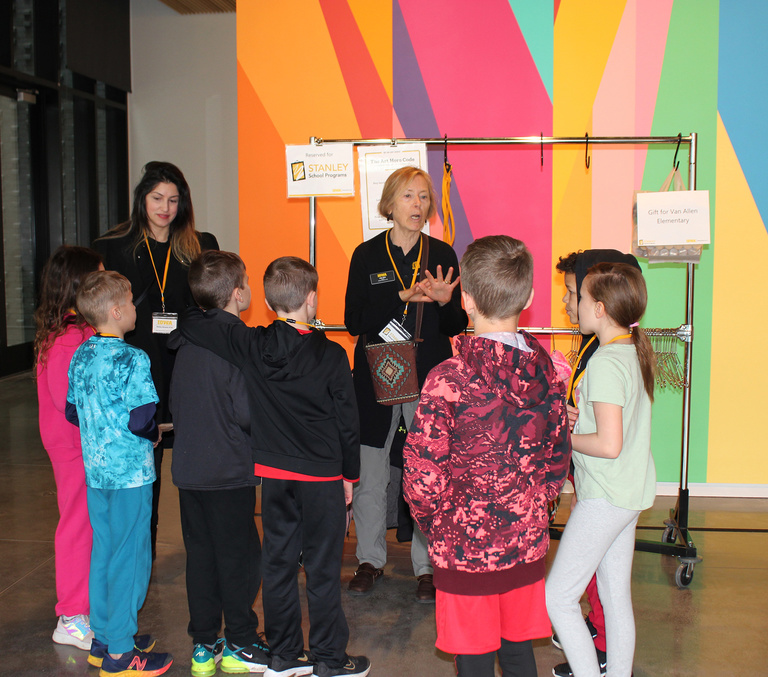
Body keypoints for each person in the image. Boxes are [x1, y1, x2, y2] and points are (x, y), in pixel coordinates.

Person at [178, 256, 370, 677]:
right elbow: (347, 424)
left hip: (277, 480)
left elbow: (201, 324)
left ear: (266, 301)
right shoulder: (333, 355)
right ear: (312, 299)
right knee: (321, 571)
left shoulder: (254, 345)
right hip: (322, 478)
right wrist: (350, 476)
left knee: (278, 566)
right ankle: (329, 659)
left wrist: (187, 312)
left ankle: (284, 656)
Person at [402, 235, 571, 677]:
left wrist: (438, 525)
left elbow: (421, 477)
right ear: (530, 297)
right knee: (519, 655)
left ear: (467, 299)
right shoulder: (548, 371)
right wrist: (536, 506)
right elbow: (558, 452)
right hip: (525, 546)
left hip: (464, 550)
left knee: (473, 659)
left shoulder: (447, 378)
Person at [344, 166, 468, 602]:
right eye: (409, 197)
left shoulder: (443, 254)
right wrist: (399, 297)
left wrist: (445, 301)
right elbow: (354, 321)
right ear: (390, 204)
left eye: (423, 198)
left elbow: (456, 325)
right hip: (377, 374)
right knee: (372, 471)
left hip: (429, 374)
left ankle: (428, 567)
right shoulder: (366, 255)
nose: (418, 206)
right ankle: (369, 560)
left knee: (428, 472)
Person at [93, 161, 219, 558]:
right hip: (134, 371)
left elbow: (210, 309)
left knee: (194, 468)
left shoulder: (200, 244)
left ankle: (201, 551)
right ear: (141, 200)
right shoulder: (113, 247)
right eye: (157, 199)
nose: (165, 208)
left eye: (173, 200)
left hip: (186, 368)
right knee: (142, 473)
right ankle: (138, 555)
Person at [546, 262, 656, 677]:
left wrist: (562, 437)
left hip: (606, 496)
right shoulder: (630, 352)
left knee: (557, 598)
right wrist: (581, 421)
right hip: (628, 493)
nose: (567, 302)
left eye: (577, 296)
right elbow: (616, 428)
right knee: (614, 597)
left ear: (600, 309)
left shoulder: (607, 363)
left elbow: (609, 445)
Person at [65, 270, 172, 676]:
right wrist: (154, 434)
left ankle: (105, 637)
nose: (135, 310)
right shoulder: (133, 358)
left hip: (97, 475)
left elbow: (73, 410)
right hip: (131, 478)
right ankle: (122, 655)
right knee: (130, 556)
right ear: (115, 311)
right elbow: (142, 418)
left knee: (105, 552)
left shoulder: (82, 354)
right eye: (130, 303)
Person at [168, 251, 266, 676]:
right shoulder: (235, 344)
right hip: (228, 470)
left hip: (189, 469)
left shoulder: (185, 339)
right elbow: (245, 412)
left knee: (201, 557)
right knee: (240, 557)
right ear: (236, 293)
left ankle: (204, 645)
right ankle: (241, 642)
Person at [35, 245, 104, 650]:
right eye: (96, 276)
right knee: (77, 527)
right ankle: (72, 616)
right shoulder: (67, 341)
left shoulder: (78, 334)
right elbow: (71, 405)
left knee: (87, 526)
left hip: (84, 448)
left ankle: (83, 606)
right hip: (76, 449)